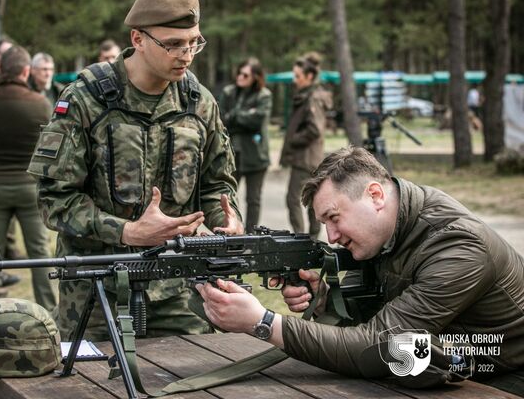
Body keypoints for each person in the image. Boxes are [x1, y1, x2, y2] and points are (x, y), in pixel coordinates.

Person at [196, 146, 524, 395]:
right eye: (325, 223)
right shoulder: (389, 228)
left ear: (375, 195)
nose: (332, 237)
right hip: (440, 370)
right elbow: (385, 321)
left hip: (503, 379)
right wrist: (326, 301)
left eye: (334, 218)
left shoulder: (460, 249)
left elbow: (375, 346)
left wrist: (263, 322)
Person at [27, 0, 243, 342]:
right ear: (138, 39)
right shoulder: (87, 99)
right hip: (97, 290)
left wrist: (227, 222)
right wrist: (128, 232)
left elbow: (217, 185)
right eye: (172, 44)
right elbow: (55, 199)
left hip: (179, 290)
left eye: (194, 42)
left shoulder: (199, 102)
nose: (186, 54)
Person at [0, 46, 57, 312]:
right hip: (29, 186)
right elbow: (51, 146)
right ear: (25, 71)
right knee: (39, 253)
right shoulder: (40, 103)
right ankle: (48, 308)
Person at [280, 52, 332, 239]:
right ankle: (310, 238)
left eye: (298, 76)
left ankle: (303, 239)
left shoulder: (313, 98)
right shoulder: (307, 95)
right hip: (306, 157)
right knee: (309, 200)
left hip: (306, 158)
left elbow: (314, 129)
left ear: (309, 76)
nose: (295, 80)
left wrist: (294, 139)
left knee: (294, 199)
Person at [218, 57, 272, 233]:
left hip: (256, 155)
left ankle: (251, 235)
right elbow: (221, 120)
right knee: (229, 196)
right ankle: (232, 231)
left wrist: (235, 116)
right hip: (233, 154)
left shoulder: (264, 95)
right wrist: (242, 116)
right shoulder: (228, 92)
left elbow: (257, 120)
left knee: (253, 199)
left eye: (245, 75)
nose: (240, 77)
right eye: (239, 73)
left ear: (255, 77)